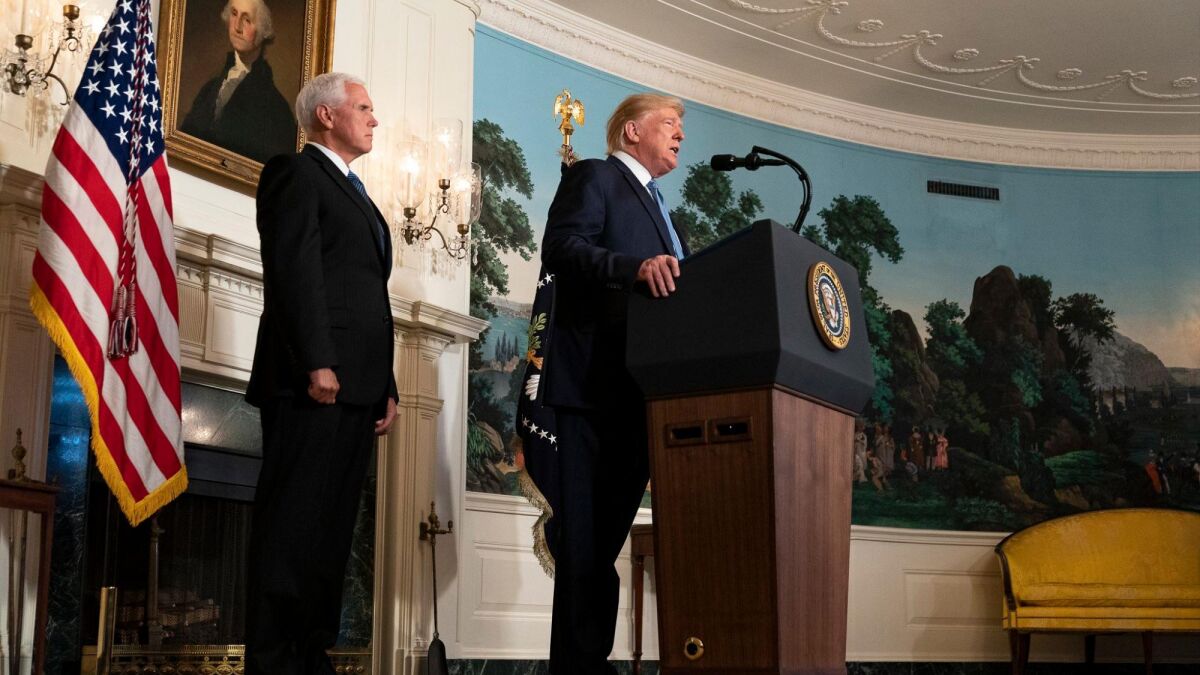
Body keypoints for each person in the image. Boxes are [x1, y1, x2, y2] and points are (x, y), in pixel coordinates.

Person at [244, 72, 396, 675]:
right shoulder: (296, 173)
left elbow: (368, 299)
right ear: (327, 116)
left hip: (357, 390)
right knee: (291, 528)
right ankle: (273, 661)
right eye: (364, 107)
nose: (374, 119)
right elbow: (294, 271)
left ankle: (310, 654)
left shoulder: (359, 195)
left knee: (331, 532)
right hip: (312, 383)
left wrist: (386, 386)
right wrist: (317, 360)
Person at [537, 92, 688, 674]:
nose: (680, 134)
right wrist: (633, 269)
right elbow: (561, 248)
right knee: (583, 546)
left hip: (639, 393)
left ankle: (588, 662)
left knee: (602, 546)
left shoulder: (659, 206)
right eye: (668, 123)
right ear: (631, 131)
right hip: (593, 389)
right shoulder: (597, 177)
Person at [181, 0, 297, 164]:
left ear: (263, 31)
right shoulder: (209, 89)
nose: (237, 27)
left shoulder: (276, 108)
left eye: (247, 20)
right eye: (234, 14)